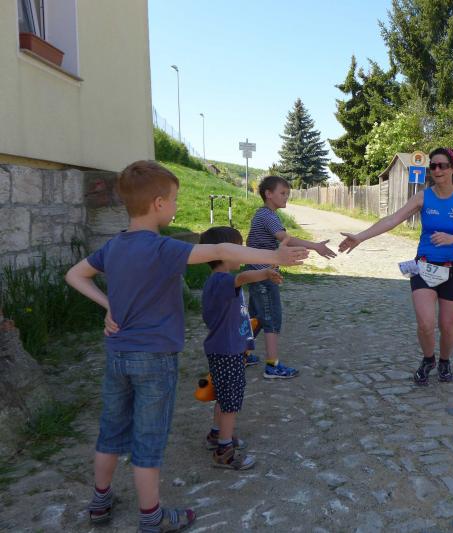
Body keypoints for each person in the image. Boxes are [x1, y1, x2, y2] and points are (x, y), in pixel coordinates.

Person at [65, 161, 307, 532]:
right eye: (175, 199)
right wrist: (274, 256)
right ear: (159, 204)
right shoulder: (162, 248)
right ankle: (151, 517)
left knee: (110, 432)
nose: (177, 205)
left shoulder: (113, 246)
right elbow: (219, 249)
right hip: (155, 359)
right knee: (148, 441)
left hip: (117, 355)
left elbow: (75, 275)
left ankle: (100, 501)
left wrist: (109, 304)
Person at [338, 148, 453, 384]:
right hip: (423, 268)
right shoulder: (422, 197)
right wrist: (360, 237)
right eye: (433, 166)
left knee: (447, 326)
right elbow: (392, 219)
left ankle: (444, 361)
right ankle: (428, 359)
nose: (437, 170)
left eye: (442, 165)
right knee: (426, 324)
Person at [199, 226, 285, 470]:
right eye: (239, 249)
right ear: (224, 254)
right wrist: (265, 272)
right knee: (231, 401)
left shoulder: (219, 281)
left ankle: (216, 433)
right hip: (226, 351)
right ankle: (224, 450)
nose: (243, 253)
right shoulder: (223, 280)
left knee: (224, 394)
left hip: (226, 348)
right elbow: (243, 277)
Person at [246, 175, 336, 379]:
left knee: (255, 317)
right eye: (283, 193)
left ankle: (242, 354)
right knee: (271, 318)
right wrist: (315, 246)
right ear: (269, 194)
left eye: (288, 193)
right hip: (264, 275)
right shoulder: (267, 216)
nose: (286, 197)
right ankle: (272, 366)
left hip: (256, 272)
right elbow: (285, 238)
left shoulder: (265, 214)